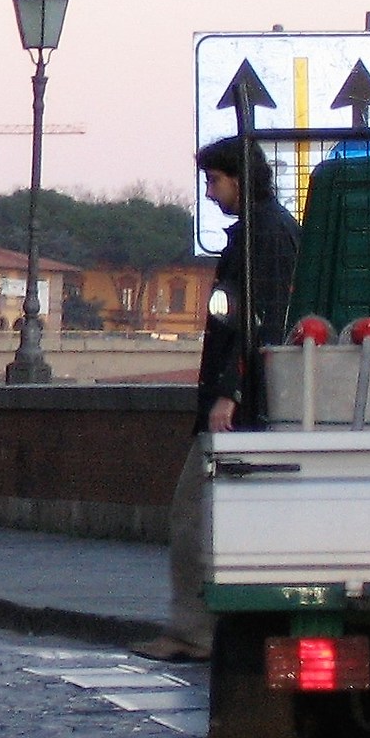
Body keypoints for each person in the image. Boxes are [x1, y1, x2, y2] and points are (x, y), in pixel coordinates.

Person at [136, 135, 301, 664]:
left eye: (214, 180)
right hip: (255, 396)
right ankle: (209, 628)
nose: (210, 192)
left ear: (239, 178)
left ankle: (194, 631)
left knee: (192, 513)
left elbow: (256, 320)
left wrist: (228, 391)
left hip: (242, 401)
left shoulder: (262, 236)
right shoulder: (267, 232)